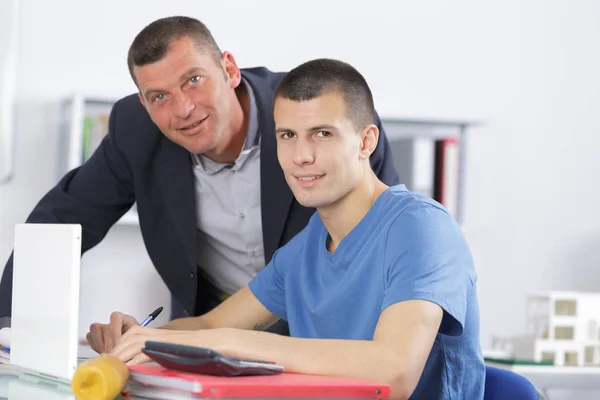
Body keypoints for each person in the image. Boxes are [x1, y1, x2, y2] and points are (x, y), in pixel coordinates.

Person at [88, 58, 485, 400]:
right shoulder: (309, 245)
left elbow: (393, 372)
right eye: (287, 136)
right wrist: (138, 337)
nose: (302, 156)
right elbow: (212, 325)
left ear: (366, 142)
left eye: (323, 134)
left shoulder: (419, 227)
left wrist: (238, 345)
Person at [0, 16, 399, 326]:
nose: (182, 110)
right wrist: (8, 328)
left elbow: (386, 239)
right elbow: (58, 224)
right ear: (143, 103)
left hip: (324, 330)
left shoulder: (312, 114)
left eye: (193, 80)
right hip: (211, 333)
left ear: (229, 69)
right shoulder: (135, 131)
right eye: (159, 96)